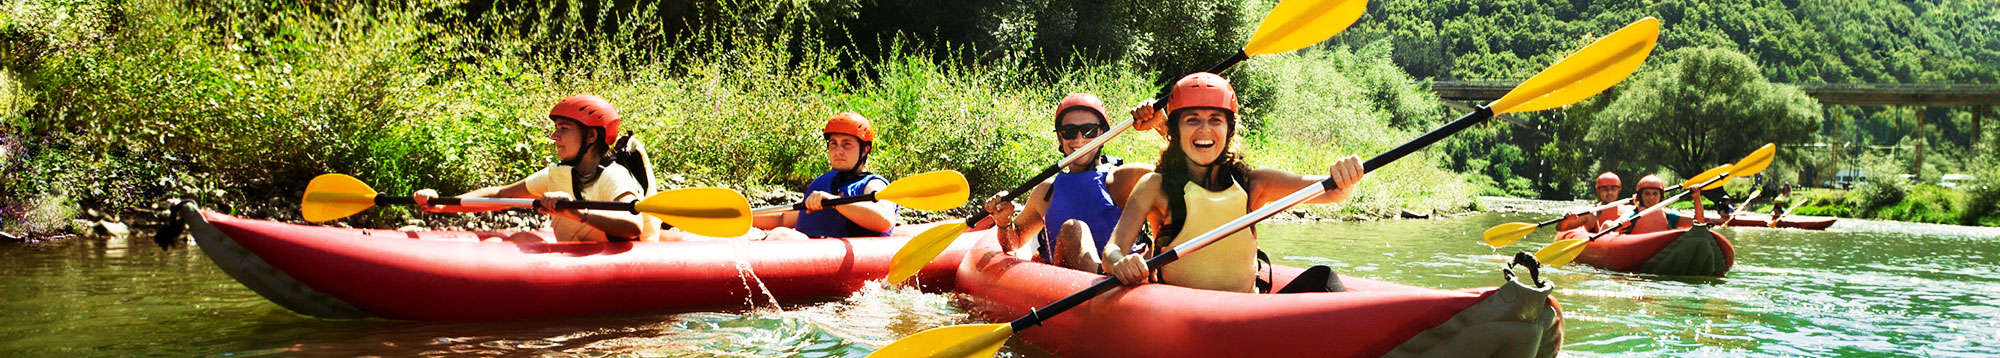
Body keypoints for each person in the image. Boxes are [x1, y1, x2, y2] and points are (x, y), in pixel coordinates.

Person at [1098, 73, 1365, 293]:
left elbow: (1333, 194)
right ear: (1176, 130)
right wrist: (1120, 262)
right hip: (1183, 313)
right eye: (1192, 120)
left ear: (1229, 130)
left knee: (1324, 278)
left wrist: (1346, 176)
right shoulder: (1154, 186)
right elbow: (1112, 250)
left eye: (1215, 120)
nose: (1205, 129)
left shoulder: (1254, 183)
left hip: (1245, 312)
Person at [412, 94, 651, 243]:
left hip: (617, 262)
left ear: (590, 135)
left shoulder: (614, 175)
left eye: (564, 128)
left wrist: (576, 212)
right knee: (518, 239)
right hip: (577, 256)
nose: (555, 136)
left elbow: (632, 227)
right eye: (556, 128)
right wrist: (443, 204)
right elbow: (501, 195)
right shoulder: (558, 175)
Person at [977, 93, 1155, 271]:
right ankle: (1102, 271)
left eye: (1089, 131)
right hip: (1071, 285)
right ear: (1060, 138)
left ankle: (1111, 271)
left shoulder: (1121, 179)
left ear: (1103, 134)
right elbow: (1013, 243)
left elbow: (1178, 179)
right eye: (1069, 132)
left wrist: (1162, 126)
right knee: (1073, 230)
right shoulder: (1047, 191)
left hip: (1126, 279)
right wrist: (1003, 221)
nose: (1079, 139)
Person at [752, 112, 899, 240]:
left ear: (865, 149)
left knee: (782, 235)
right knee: (766, 234)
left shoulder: (873, 184)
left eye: (847, 144)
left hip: (845, 260)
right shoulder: (824, 182)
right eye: (833, 144)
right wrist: (744, 219)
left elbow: (885, 220)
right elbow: (784, 219)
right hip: (810, 254)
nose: (838, 151)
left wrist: (834, 202)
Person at [1618, 175, 1701, 234]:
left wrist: (1696, 197)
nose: (1651, 197)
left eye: (1655, 194)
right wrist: (1620, 223)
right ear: (1640, 196)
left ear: (1660, 196)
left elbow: (1698, 222)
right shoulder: (1633, 216)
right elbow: (1608, 226)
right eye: (1647, 194)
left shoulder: (1668, 216)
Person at [1559, 172, 1629, 232]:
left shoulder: (1628, 210)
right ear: (1598, 191)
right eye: (1605, 189)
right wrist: (1566, 220)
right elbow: (1560, 228)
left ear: (1619, 190)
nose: (1609, 192)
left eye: (1613, 189)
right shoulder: (1591, 214)